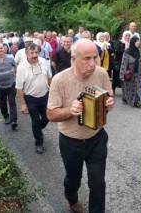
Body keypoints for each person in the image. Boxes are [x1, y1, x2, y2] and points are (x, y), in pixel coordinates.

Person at [47, 38, 114, 213]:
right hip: (71, 142)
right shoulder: (59, 80)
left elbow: (108, 98)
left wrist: (108, 104)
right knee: (73, 179)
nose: (93, 63)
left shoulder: (102, 74)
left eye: (95, 57)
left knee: (98, 184)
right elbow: (51, 114)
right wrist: (71, 110)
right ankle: (72, 198)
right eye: (87, 58)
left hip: (97, 138)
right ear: (73, 59)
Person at [16, 43, 52, 154]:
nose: (35, 55)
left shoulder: (43, 62)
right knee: (35, 121)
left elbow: (49, 77)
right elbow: (19, 88)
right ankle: (39, 142)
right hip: (31, 98)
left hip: (45, 95)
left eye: (36, 52)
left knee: (47, 117)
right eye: (32, 53)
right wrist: (22, 104)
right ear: (26, 53)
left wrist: (53, 93)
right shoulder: (21, 67)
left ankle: (37, 129)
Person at [119, 36, 141, 108]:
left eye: (139, 41)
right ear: (133, 42)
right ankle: (125, 98)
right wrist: (122, 75)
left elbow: (140, 60)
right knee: (128, 87)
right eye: (137, 41)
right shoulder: (127, 52)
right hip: (130, 73)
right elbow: (124, 64)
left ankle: (136, 101)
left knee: (138, 87)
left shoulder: (139, 50)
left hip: (138, 73)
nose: (139, 42)